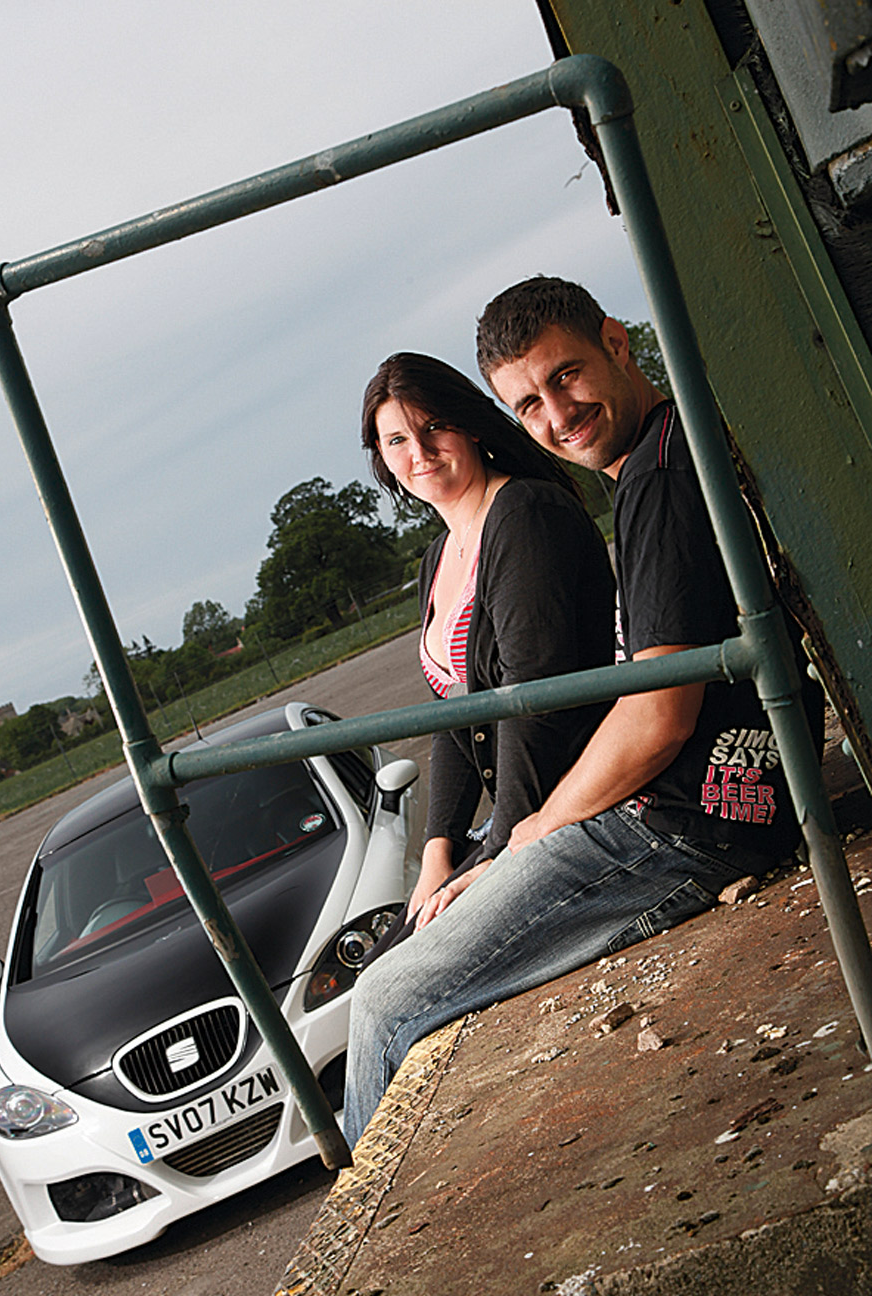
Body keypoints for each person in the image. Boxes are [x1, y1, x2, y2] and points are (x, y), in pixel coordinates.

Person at [343, 280, 821, 1147]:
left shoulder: (656, 481)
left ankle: (378, 1230)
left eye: (568, 375)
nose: (558, 412)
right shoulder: (650, 464)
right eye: (530, 400)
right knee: (405, 969)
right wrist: (448, 853)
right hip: (684, 808)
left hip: (685, 824)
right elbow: (462, 709)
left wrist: (528, 834)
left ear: (617, 342)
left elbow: (656, 719)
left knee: (385, 998)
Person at [359, 351, 615, 958]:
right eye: (396, 439)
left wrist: (499, 851)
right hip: (520, 815)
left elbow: (535, 699)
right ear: (381, 457)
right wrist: (438, 854)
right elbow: (450, 715)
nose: (417, 453)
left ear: (469, 424)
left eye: (432, 428)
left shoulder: (523, 514)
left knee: (405, 980)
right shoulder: (437, 558)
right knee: (378, 962)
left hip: (573, 803)